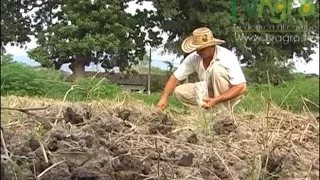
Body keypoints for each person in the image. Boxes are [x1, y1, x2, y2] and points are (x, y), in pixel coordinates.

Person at [156, 27, 247, 113]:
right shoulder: (194, 57)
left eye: (202, 49)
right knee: (179, 91)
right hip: (208, 90)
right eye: (197, 49)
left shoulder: (227, 56)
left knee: (217, 71)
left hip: (227, 92)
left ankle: (223, 113)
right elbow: (175, 77)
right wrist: (164, 97)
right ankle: (207, 109)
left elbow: (241, 87)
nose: (198, 52)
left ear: (212, 46)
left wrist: (216, 100)